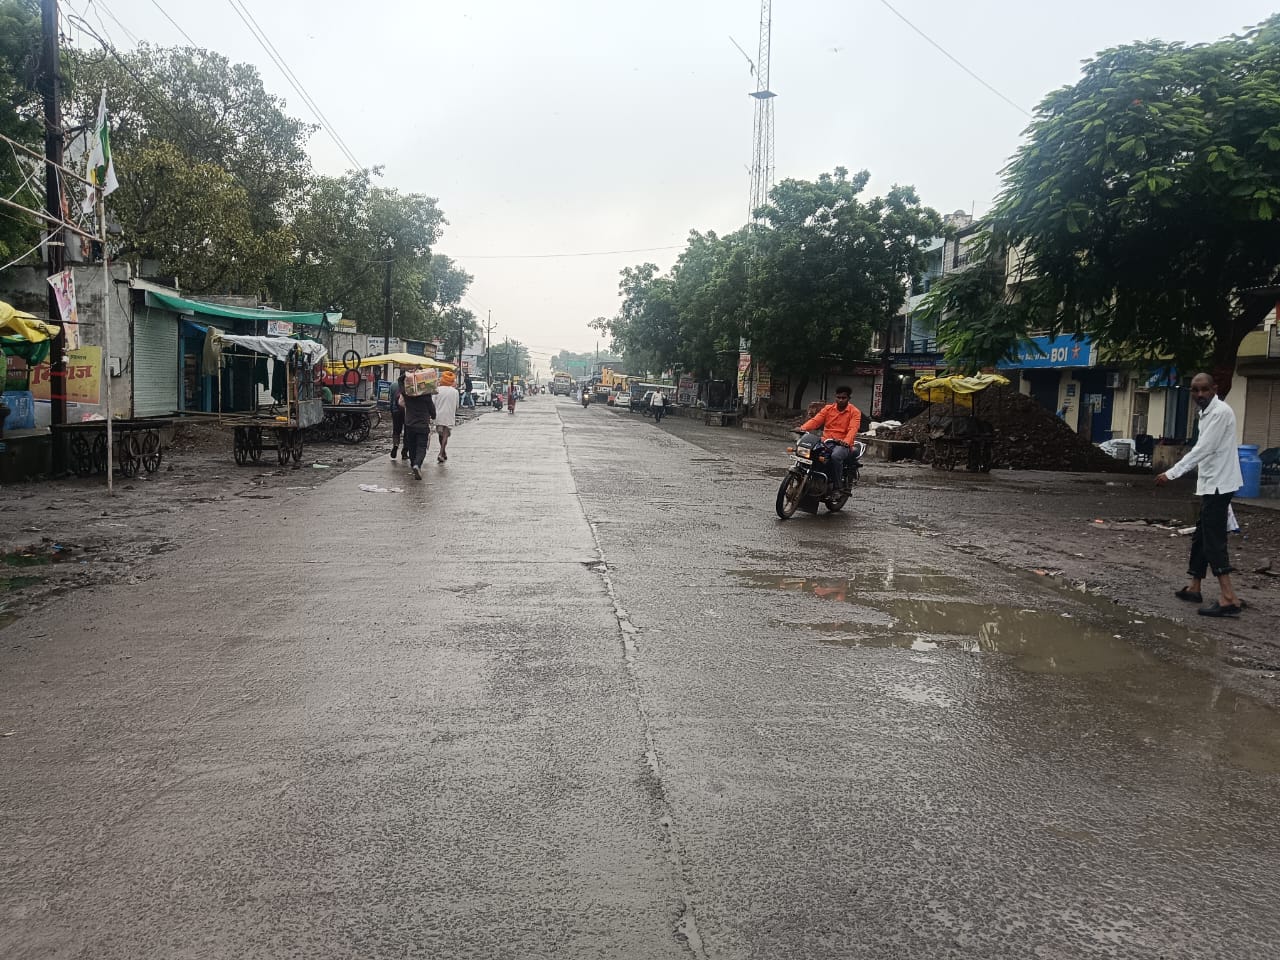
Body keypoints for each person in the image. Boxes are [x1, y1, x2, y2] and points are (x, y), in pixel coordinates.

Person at [1156, 371, 1245, 617]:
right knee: (1201, 536)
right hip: (1211, 483)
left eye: (1205, 389)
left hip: (1219, 485)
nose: (1200, 394)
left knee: (1214, 539)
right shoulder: (1205, 413)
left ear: (1214, 389)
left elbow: (1203, 449)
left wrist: (1171, 473)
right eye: (1195, 390)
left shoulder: (1220, 413)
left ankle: (1228, 597)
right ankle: (1195, 586)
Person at [797, 385, 862, 491]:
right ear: (835, 397)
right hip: (826, 441)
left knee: (835, 456)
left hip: (842, 444)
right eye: (838, 397)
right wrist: (802, 428)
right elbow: (816, 421)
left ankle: (837, 487)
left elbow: (853, 429)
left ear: (849, 398)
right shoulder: (828, 409)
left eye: (843, 398)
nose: (840, 400)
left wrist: (846, 441)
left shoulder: (854, 412)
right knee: (809, 452)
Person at [398, 381, 436, 480]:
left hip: (410, 425)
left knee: (412, 446)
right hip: (422, 425)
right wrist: (433, 416)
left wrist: (406, 376)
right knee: (421, 447)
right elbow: (432, 411)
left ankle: (413, 464)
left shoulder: (408, 395)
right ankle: (417, 465)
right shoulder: (426, 396)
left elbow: (400, 384)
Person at [434, 369, 461, 463]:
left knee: (440, 434)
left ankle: (443, 452)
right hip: (449, 414)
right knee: (445, 434)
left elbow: (433, 403)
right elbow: (457, 406)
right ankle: (441, 453)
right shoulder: (455, 392)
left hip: (438, 414)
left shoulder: (437, 390)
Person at [389, 372, 408, 461]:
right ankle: (404, 451)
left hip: (395, 410)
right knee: (407, 431)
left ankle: (395, 445)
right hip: (406, 411)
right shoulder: (409, 385)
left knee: (396, 430)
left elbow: (391, 399)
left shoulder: (393, 385)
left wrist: (391, 410)